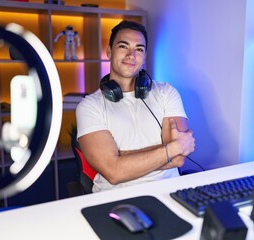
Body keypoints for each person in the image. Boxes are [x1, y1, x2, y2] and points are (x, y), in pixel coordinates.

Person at [76, 20, 195, 192]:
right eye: (123, 46)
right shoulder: (89, 106)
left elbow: (178, 159)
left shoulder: (166, 92)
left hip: (169, 193)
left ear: (145, 55)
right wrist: (172, 148)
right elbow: (114, 172)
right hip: (115, 199)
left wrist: (122, 159)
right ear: (109, 51)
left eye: (139, 49)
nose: (131, 55)